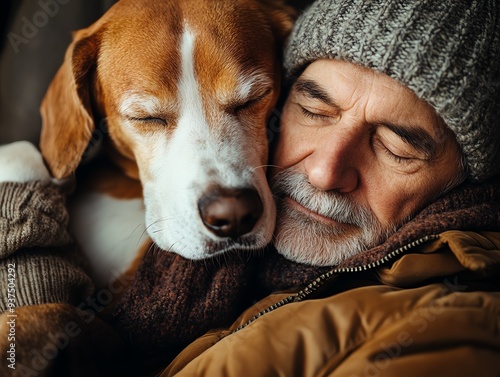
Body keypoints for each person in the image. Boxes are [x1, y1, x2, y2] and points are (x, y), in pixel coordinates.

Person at [0, 0, 499, 376]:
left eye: (396, 146)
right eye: (315, 111)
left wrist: (28, 317)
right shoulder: (60, 177)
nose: (324, 173)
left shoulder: (449, 320)